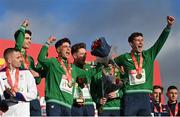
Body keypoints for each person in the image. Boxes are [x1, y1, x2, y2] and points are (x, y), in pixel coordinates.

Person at [114, 16, 175, 116]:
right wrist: (120, 78)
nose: (141, 42)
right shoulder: (124, 57)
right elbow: (111, 64)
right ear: (131, 43)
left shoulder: (149, 54)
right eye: (137, 40)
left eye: (142, 40)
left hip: (145, 97)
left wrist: (168, 26)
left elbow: (160, 42)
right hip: (130, 96)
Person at [38, 36, 87, 116]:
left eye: (69, 47)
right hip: (54, 101)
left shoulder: (73, 68)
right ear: (58, 50)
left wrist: (99, 64)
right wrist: (48, 43)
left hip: (67, 105)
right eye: (65, 46)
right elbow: (41, 59)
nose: (68, 49)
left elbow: (88, 74)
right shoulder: (53, 62)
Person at [14, 19, 42, 116]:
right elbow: (18, 45)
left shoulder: (29, 59)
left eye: (30, 38)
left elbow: (37, 81)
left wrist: (37, 75)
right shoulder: (15, 54)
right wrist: (23, 27)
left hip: (33, 95)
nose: (30, 41)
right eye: (26, 38)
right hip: (20, 94)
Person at [0, 48, 37, 116]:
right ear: (9, 60)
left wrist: (17, 95)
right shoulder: (0, 74)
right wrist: (6, 95)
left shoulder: (26, 73)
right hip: (6, 113)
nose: (21, 59)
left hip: (22, 112)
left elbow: (33, 94)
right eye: (18, 57)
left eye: (21, 57)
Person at [71, 43, 95, 116]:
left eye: (85, 54)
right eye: (81, 54)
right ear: (75, 55)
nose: (84, 56)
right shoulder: (69, 68)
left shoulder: (89, 67)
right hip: (75, 103)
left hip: (89, 104)